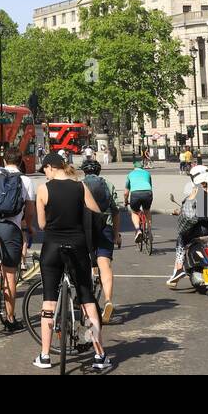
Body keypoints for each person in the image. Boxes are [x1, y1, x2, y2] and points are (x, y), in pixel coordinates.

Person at [33, 151, 109, 371]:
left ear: (50, 167)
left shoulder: (43, 189)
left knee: (49, 300)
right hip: (77, 246)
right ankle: (99, 355)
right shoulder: (79, 187)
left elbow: (42, 224)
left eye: (45, 169)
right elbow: (97, 214)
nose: (44, 174)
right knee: (86, 299)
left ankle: (45, 355)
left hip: (52, 247)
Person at [0, 148, 37, 332]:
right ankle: (10, 318)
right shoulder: (26, 181)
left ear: (4, 161)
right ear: (20, 162)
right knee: (10, 273)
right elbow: (29, 211)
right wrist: (28, 226)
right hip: (11, 228)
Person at [80, 157, 118, 323]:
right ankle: (108, 300)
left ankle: (86, 303)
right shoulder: (108, 184)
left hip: (85, 228)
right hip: (105, 227)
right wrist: (116, 234)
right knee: (105, 264)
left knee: (83, 263)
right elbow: (115, 212)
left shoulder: (79, 185)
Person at [122, 159, 154, 246]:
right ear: (142, 167)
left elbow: (126, 192)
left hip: (135, 194)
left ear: (134, 167)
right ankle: (149, 230)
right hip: (148, 193)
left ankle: (138, 230)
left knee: (134, 211)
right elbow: (150, 186)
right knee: (147, 211)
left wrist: (125, 201)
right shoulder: (147, 173)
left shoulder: (130, 174)